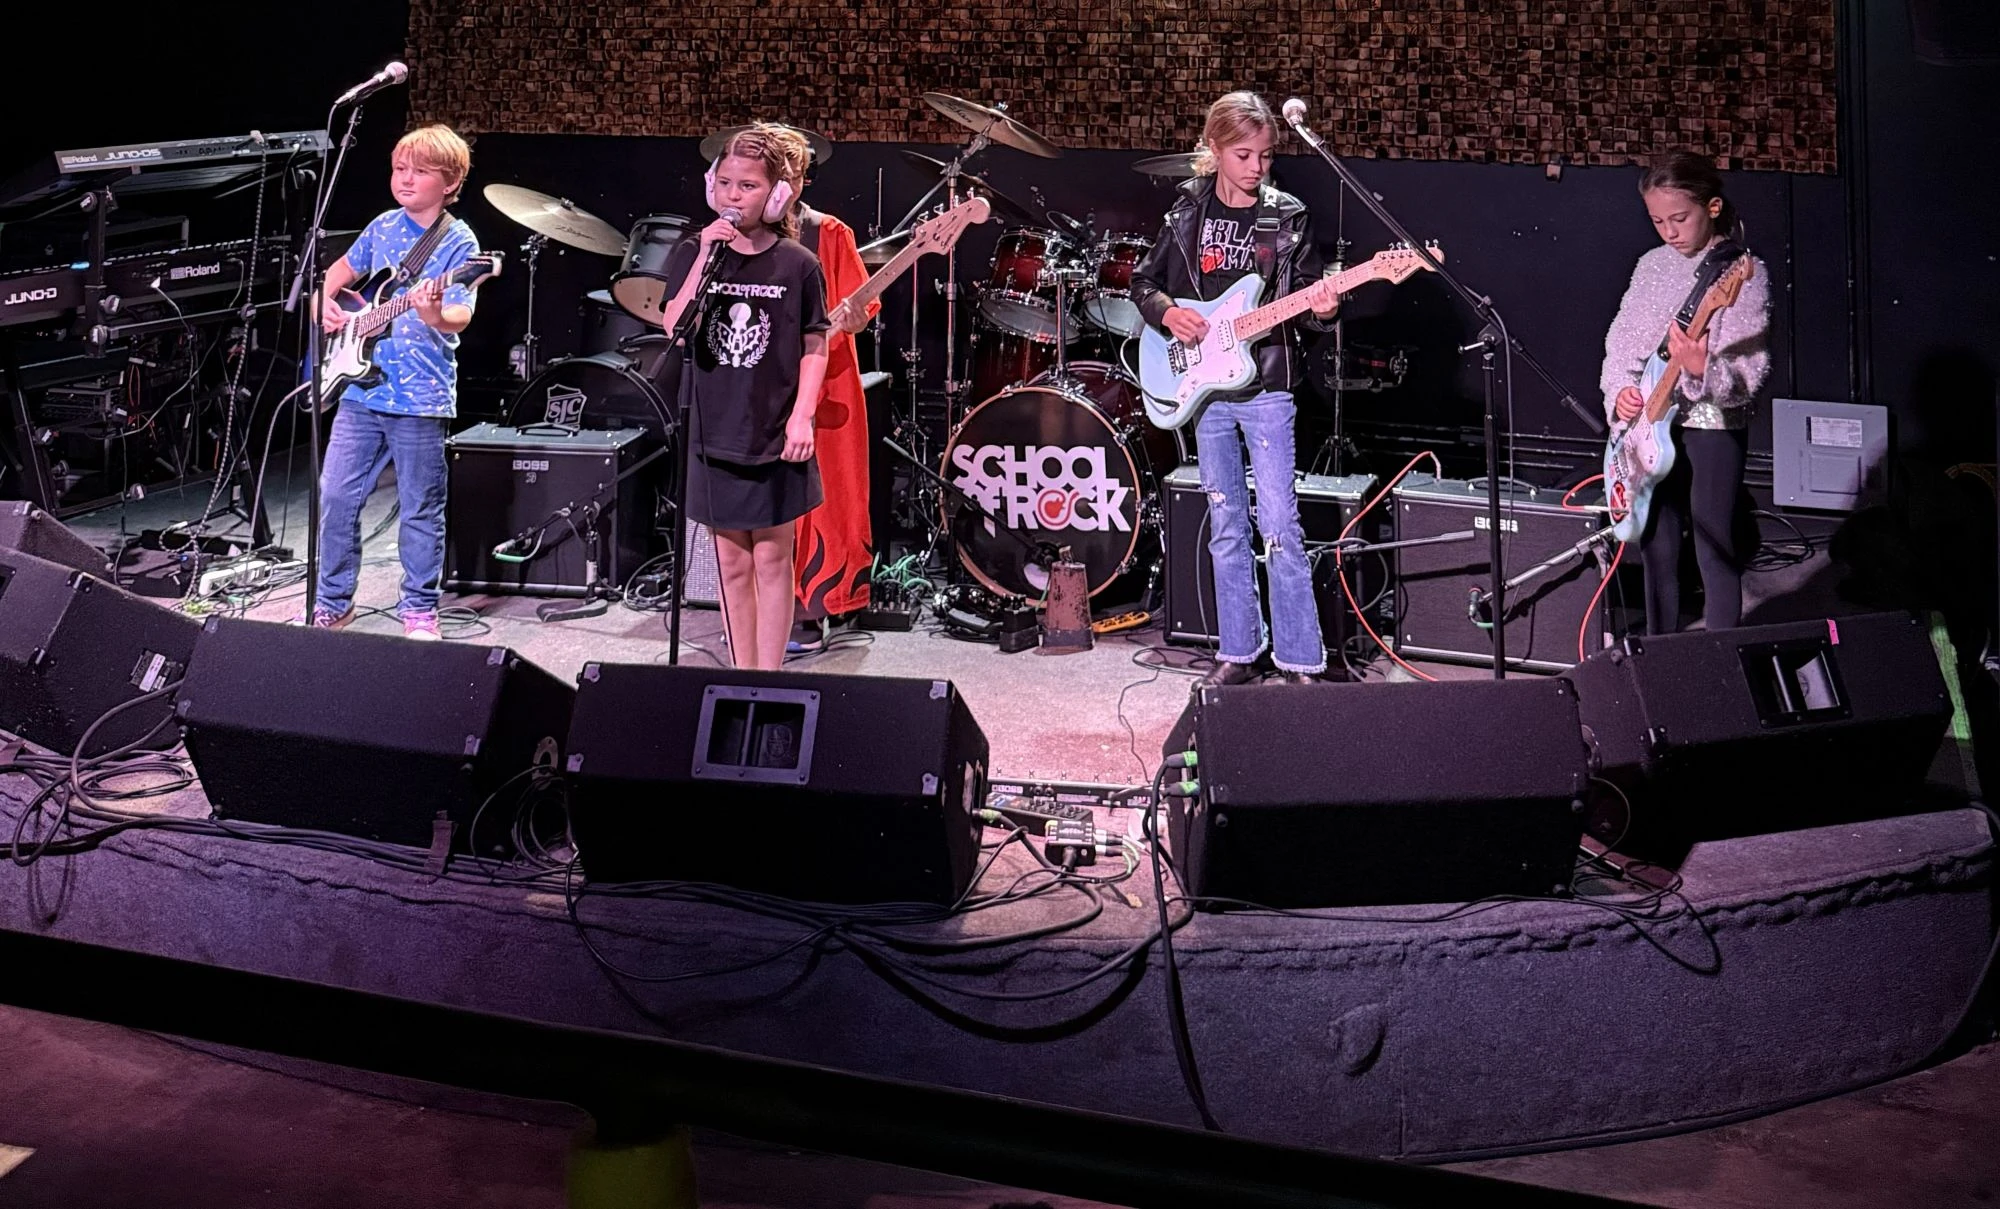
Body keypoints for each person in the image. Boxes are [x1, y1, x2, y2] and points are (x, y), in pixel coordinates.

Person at [1130, 91, 1341, 687]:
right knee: (1226, 525)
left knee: (1280, 527)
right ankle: (1239, 652)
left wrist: (1324, 309)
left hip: (1267, 385)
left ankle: (1300, 658)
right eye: (1244, 155)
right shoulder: (1187, 210)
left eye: (1266, 156)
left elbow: (1305, 304)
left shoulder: (1288, 217)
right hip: (1206, 388)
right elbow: (1143, 282)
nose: (1256, 167)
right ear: (1215, 149)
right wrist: (1169, 313)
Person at [657, 124, 830, 671]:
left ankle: (770, 680)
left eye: (749, 186)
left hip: (773, 428)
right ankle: (741, 674)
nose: (735, 196)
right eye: (727, 183)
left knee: (773, 560)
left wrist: (802, 417)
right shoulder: (696, 252)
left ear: (777, 195)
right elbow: (675, 327)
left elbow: (816, 344)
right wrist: (705, 255)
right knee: (732, 564)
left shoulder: (798, 263)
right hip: (715, 429)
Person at [308, 123, 481, 639]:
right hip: (361, 389)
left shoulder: (460, 242)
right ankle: (332, 604)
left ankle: (420, 610)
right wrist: (323, 303)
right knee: (336, 496)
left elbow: (460, 316)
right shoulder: (382, 226)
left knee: (420, 507)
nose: (405, 178)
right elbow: (336, 274)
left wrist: (432, 314)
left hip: (421, 395)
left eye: (420, 171)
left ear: (450, 183)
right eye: (399, 168)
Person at [1599, 152, 1772, 634]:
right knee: (1657, 545)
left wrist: (1702, 370)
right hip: (1651, 421)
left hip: (1711, 422)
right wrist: (1620, 391)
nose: (1669, 232)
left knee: (1714, 544)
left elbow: (1750, 372)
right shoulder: (1650, 266)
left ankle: (1720, 654)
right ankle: (1660, 653)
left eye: (1679, 218)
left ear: (1712, 207)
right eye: (1657, 221)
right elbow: (1622, 343)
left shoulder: (1743, 272)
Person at [790, 152, 878, 652]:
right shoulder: (732, 238)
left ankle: (813, 608)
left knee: (825, 490)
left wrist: (854, 317)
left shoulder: (827, 233)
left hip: (826, 380)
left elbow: (859, 308)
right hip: (758, 381)